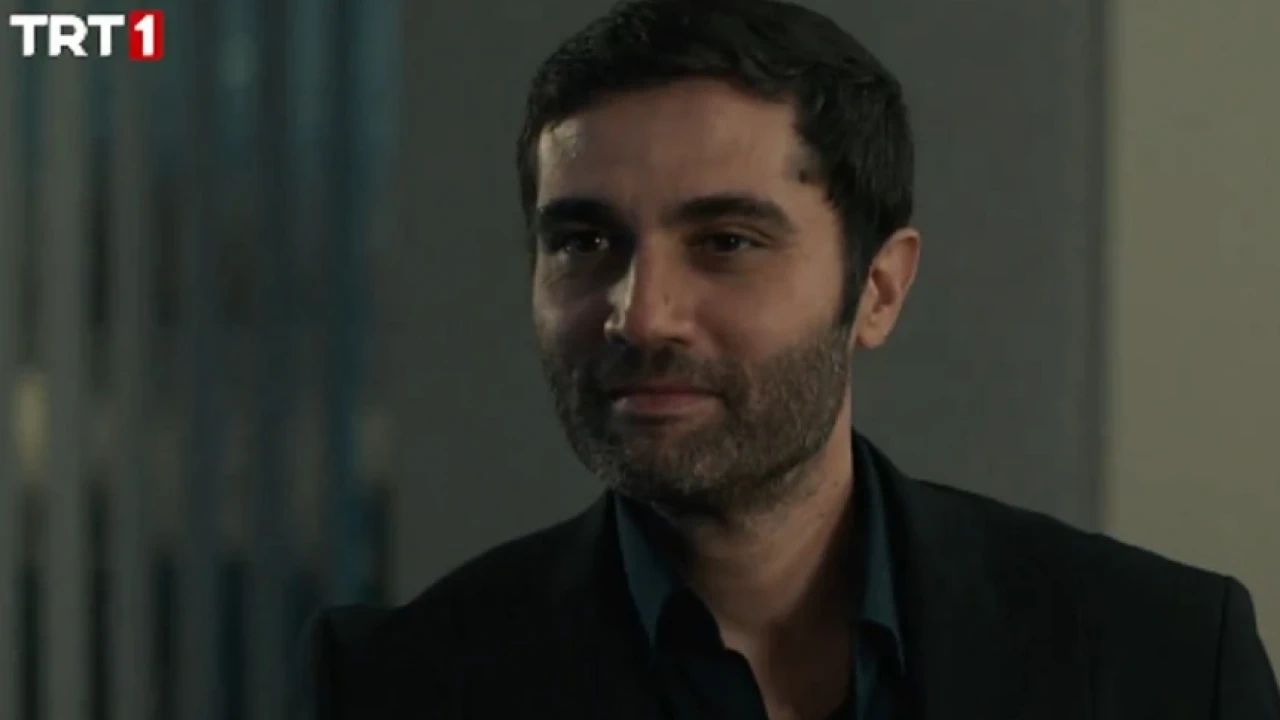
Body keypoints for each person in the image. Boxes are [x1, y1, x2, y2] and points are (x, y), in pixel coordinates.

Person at [307, 0, 1280, 717]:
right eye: (584, 242)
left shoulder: (1161, 660)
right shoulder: (397, 688)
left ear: (878, 290)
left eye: (726, 241)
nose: (640, 316)